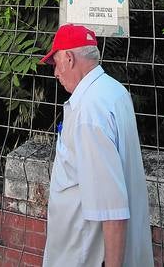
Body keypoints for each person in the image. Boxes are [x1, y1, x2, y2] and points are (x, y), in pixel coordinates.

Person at [39, 24, 154, 267]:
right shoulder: (113, 91)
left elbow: (113, 209)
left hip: (86, 256)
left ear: (69, 59)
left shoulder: (88, 113)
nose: (55, 73)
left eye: (56, 63)